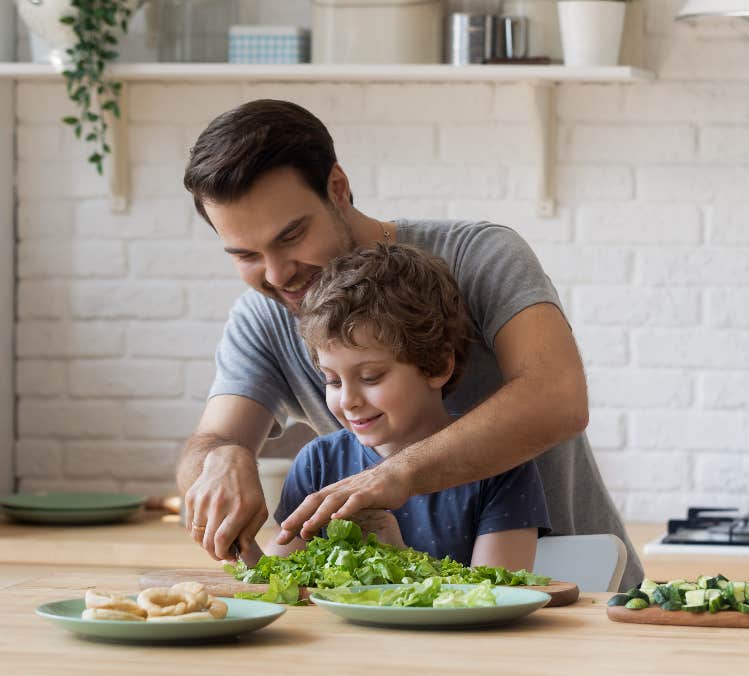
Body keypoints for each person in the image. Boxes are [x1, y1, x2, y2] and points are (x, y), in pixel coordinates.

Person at [177, 98, 643, 590]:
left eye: (291, 235)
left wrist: (395, 475)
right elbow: (210, 443)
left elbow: (558, 399)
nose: (276, 274)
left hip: (579, 597)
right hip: (392, 613)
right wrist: (221, 460)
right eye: (245, 254)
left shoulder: (480, 256)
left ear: (338, 188)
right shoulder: (262, 318)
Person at [242, 241, 550, 570]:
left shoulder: (499, 466)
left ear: (436, 366)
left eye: (371, 377)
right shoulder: (318, 463)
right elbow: (276, 579)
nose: (348, 401)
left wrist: (399, 557)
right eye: (332, 380)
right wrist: (242, 544)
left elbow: (498, 597)